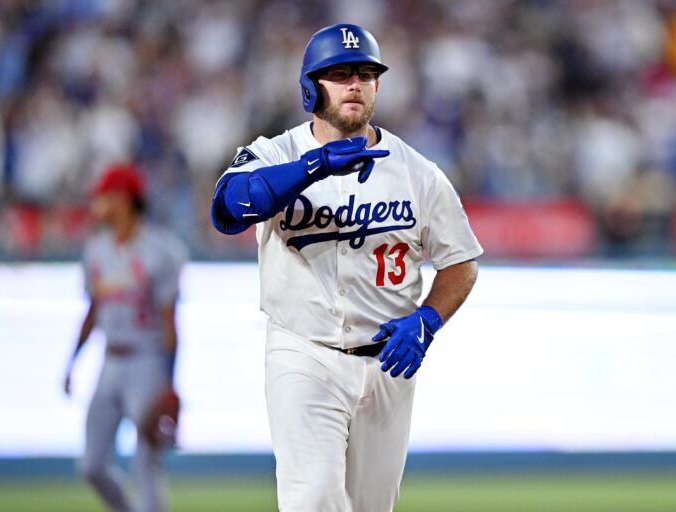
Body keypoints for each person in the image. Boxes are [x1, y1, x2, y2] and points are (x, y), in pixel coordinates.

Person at [210, 23, 482, 511]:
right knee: (312, 499)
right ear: (311, 88)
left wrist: (428, 320)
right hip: (303, 350)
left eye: (365, 73)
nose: (354, 83)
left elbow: (461, 262)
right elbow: (228, 208)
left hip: (388, 361)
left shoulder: (418, 172)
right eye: (339, 73)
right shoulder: (277, 152)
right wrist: (312, 167)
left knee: (371, 506)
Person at [64, 163, 187, 512]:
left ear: (124, 199)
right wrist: (72, 362)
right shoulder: (96, 251)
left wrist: (169, 381)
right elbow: (92, 312)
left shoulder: (161, 250)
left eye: (104, 196)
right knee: (90, 465)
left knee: (146, 463)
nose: (97, 204)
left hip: (146, 359)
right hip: (110, 360)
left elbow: (169, 322)